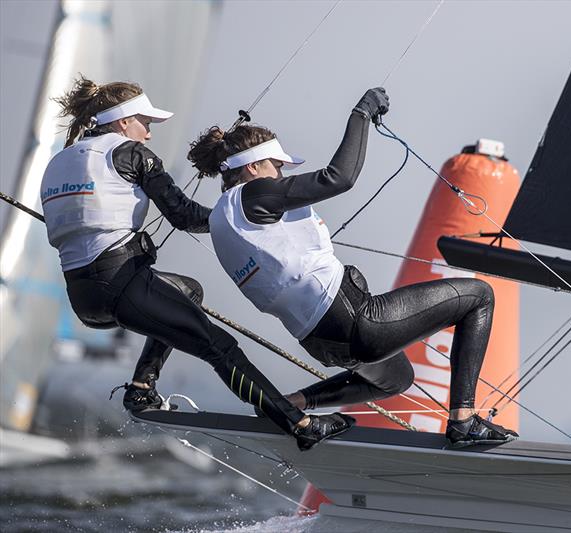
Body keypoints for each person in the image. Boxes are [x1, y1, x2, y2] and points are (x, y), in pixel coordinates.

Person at [187, 87, 519, 447]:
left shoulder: (221, 217)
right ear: (253, 167)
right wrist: (361, 113)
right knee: (479, 295)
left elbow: (185, 217)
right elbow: (339, 178)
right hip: (353, 321)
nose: (282, 175)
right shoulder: (256, 193)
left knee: (396, 378)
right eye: (277, 166)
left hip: (319, 340)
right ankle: (464, 420)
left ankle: (292, 403)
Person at [41, 76, 352, 451]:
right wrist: (235, 217)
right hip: (121, 284)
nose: (149, 134)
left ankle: (141, 388)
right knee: (220, 348)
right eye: (147, 124)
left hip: (82, 296)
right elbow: (183, 214)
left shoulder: (60, 159)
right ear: (124, 122)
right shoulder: (132, 154)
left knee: (188, 290)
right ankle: (300, 424)